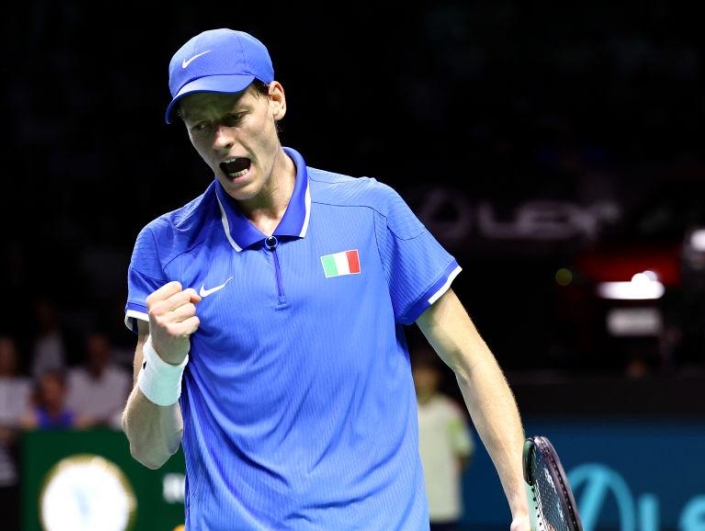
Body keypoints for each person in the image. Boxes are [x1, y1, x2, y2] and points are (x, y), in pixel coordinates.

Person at [120, 27, 530, 531]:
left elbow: (470, 361)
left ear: (275, 100)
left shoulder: (371, 214)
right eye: (200, 126)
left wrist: (521, 505)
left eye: (234, 116)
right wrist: (162, 360)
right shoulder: (164, 246)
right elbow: (148, 449)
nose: (221, 140)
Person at [412, 346, 474, 531]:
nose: (423, 377)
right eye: (419, 371)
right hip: (411, 506)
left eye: (428, 372)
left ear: (437, 377)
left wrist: (446, 475)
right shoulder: (401, 411)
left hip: (444, 505)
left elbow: (463, 452)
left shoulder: (450, 412)